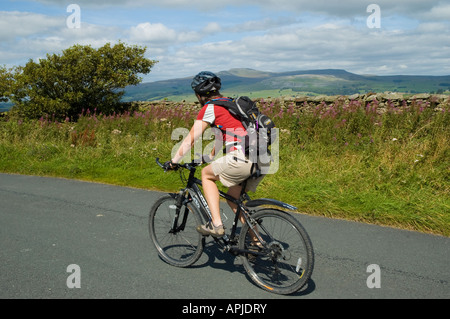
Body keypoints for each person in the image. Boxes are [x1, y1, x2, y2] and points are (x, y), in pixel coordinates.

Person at [165, 71, 267, 238]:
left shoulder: (209, 108)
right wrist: (210, 156)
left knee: (206, 174)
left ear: (199, 95)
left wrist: (174, 161)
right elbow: (222, 135)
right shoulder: (230, 104)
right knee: (233, 198)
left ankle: (216, 224)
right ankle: (257, 242)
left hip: (242, 157)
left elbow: (190, 139)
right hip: (262, 157)